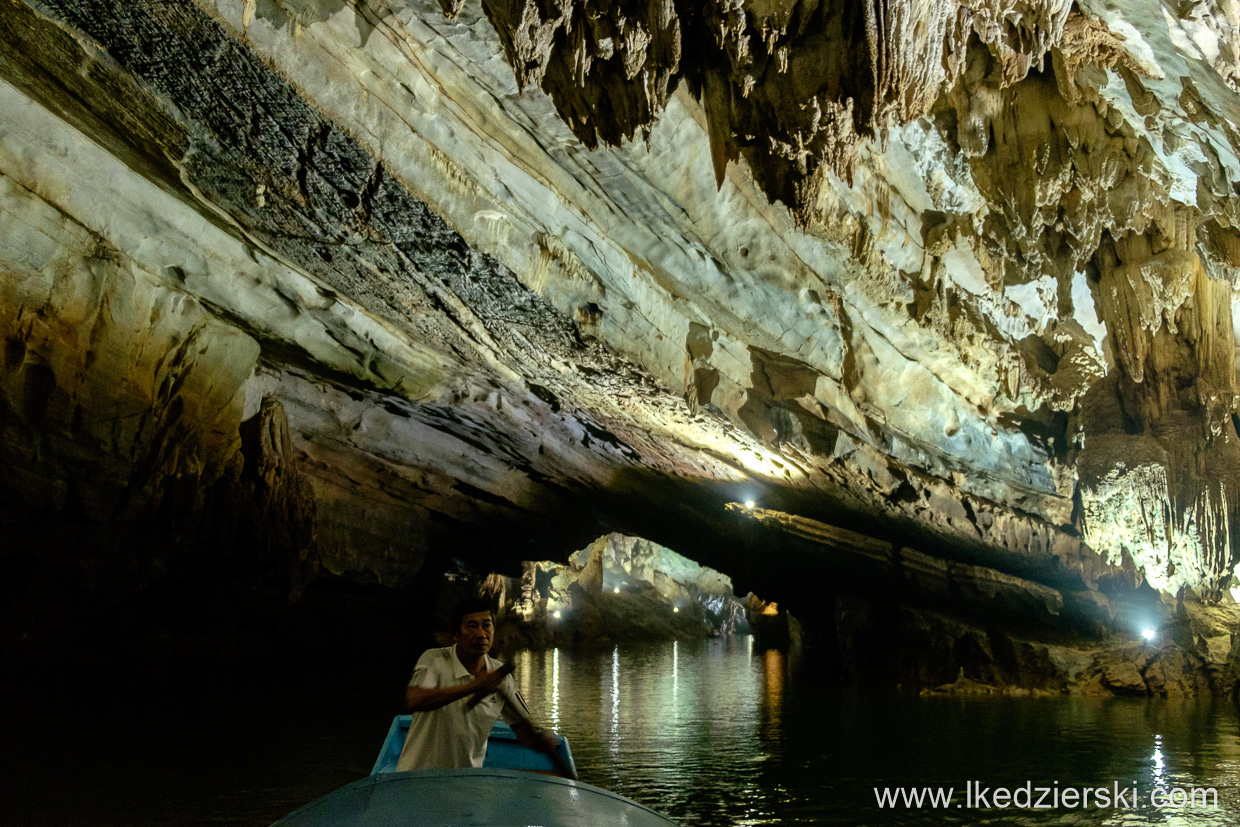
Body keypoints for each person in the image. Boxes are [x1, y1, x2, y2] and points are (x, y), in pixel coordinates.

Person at [395, 598, 558, 771]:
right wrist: (472, 687)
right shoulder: (434, 660)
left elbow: (522, 729)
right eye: (472, 626)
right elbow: (413, 700)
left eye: (486, 625)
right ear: (455, 634)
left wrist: (539, 741)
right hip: (417, 778)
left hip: (465, 780)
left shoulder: (500, 676)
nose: (481, 634)